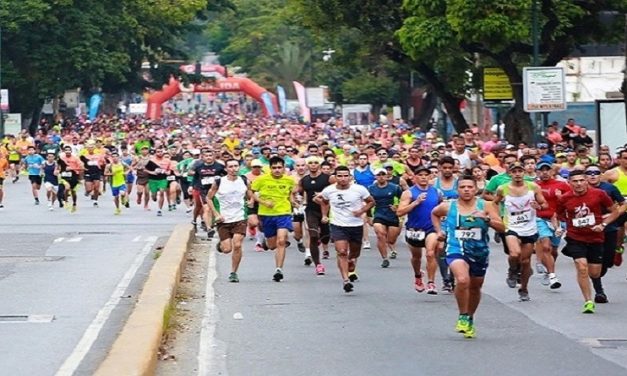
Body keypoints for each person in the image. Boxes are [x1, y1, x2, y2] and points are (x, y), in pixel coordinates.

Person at [431, 175, 504, 339]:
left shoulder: (485, 205)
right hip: (455, 248)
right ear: (457, 190)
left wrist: (487, 219)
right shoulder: (448, 206)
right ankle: (463, 315)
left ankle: (470, 317)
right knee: (463, 280)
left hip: (479, 251)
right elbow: (434, 214)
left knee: (475, 286)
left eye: (470, 187)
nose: (466, 190)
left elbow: (502, 227)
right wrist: (439, 231)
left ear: (476, 189)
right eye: (463, 187)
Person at [556, 170, 620, 313]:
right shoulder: (565, 198)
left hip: (595, 237)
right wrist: (560, 227)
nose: (578, 184)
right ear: (569, 183)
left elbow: (615, 211)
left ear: (586, 181)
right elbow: (559, 215)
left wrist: (603, 225)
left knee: (595, 272)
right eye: (575, 181)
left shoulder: (599, 194)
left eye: (581, 180)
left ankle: (595, 285)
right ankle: (588, 301)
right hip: (575, 237)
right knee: (582, 267)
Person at [494, 161, 548, 302]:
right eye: (514, 171)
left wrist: (539, 206)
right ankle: (512, 270)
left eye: (520, 171)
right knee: (514, 253)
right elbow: (494, 202)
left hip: (529, 228)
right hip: (511, 226)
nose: (517, 174)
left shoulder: (533, 187)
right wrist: (497, 218)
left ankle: (523, 288)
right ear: (510, 173)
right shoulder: (502, 188)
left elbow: (544, 204)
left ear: (524, 172)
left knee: (525, 262)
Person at [317, 165, 375, 293]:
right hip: (338, 225)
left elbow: (371, 202)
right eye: (340, 176)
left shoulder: (359, 189)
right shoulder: (329, 190)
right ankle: (346, 280)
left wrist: (361, 210)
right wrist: (324, 215)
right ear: (335, 177)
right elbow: (325, 202)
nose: (343, 179)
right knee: (342, 251)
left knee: (354, 253)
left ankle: (351, 261)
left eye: (345, 176)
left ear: (350, 177)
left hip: (356, 225)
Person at [251, 156, 298, 282]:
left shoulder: (289, 180)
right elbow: (252, 193)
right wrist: (263, 202)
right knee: (272, 245)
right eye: (274, 168)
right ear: (270, 168)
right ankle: (267, 242)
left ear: (283, 168)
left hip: (283, 213)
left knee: (281, 241)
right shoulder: (261, 179)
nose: (277, 170)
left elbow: (291, 194)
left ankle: (279, 269)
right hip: (266, 214)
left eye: (279, 167)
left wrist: (294, 202)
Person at [584, 165, 627, 303]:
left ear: (601, 175)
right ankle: (599, 291)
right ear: (585, 176)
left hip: (609, 227)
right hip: (589, 230)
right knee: (594, 261)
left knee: (607, 261)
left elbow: (623, 203)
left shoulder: (609, 188)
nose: (592, 175)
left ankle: (599, 272)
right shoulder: (581, 189)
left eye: (596, 173)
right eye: (589, 173)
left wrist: (616, 214)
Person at [397, 166, 442, 294]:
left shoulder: (437, 192)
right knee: (416, 257)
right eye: (420, 175)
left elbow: (442, 209)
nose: (423, 177)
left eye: (426, 175)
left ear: (430, 177)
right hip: (415, 229)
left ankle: (431, 283)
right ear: (415, 177)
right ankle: (418, 276)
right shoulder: (409, 193)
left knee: (430, 253)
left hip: (431, 228)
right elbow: (400, 212)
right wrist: (415, 203)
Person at [207, 159, 253, 283]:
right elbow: (209, 198)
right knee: (227, 249)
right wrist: (216, 214)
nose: (234, 169)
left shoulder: (244, 181)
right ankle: (222, 244)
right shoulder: (219, 182)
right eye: (231, 166)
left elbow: (250, 195)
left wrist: (251, 201)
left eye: (236, 166)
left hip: (240, 218)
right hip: (224, 219)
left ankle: (233, 273)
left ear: (239, 167)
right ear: (226, 169)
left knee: (237, 245)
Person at [535, 161, 570, 289]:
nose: (544, 172)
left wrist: (561, 197)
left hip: (558, 221)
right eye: (541, 170)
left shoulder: (561, 185)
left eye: (547, 170)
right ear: (537, 172)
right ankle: (552, 276)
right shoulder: (534, 185)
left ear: (552, 171)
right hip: (540, 219)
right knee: (546, 247)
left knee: (554, 250)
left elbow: (570, 200)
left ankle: (548, 268)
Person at [299, 156, 334, 273]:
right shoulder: (304, 180)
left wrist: (323, 194)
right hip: (311, 210)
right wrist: (296, 201)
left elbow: (337, 190)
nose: (313, 165)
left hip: (327, 210)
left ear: (319, 165)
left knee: (326, 237)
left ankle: (322, 238)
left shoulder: (328, 178)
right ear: (307, 165)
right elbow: (297, 192)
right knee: (313, 236)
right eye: (310, 163)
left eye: (315, 163)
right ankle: (318, 264)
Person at [368, 168, 403, 268]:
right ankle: (385, 258)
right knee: (380, 234)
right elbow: (367, 202)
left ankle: (390, 246)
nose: (381, 177)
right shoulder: (371, 188)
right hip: (379, 213)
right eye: (378, 175)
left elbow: (404, 199)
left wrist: (398, 207)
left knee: (391, 240)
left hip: (392, 214)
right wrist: (369, 216)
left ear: (386, 176)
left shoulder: (395, 187)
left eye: (383, 174)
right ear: (375, 177)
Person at [105, 151, 130, 215]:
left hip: (122, 181)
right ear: (111, 158)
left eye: (116, 157)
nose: (114, 158)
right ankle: (117, 208)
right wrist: (111, 174)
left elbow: (129, 168)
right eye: (113, 157)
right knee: (116, 197)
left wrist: (126, 172)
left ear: (118, 157)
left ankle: (123, 198)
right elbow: (105, 173)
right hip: (114, 183)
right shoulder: (109, 165)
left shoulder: (122, 164)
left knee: (122, 192)